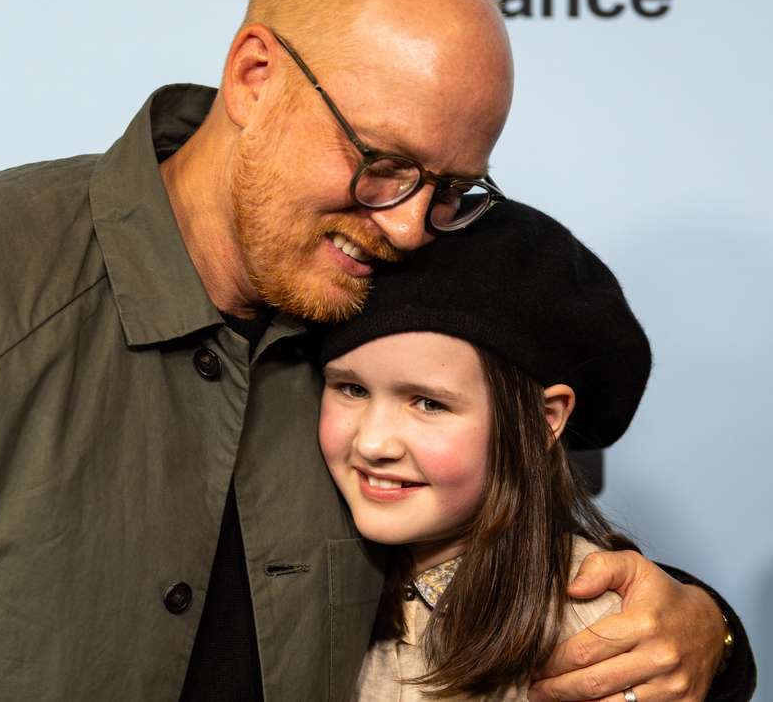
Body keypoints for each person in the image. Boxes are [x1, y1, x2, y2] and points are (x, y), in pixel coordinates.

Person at [0, 0, 753, 701]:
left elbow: (540, 540)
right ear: (255, 75)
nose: (410, 224)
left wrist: (708, 630)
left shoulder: (403, 292)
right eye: (382, 162)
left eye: (453, 188)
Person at [317, 200, 754, 701]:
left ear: (545, 419)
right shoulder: (311, 575)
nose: (372, 443)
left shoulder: (599, 634)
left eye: (428, 403)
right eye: (351, 389)